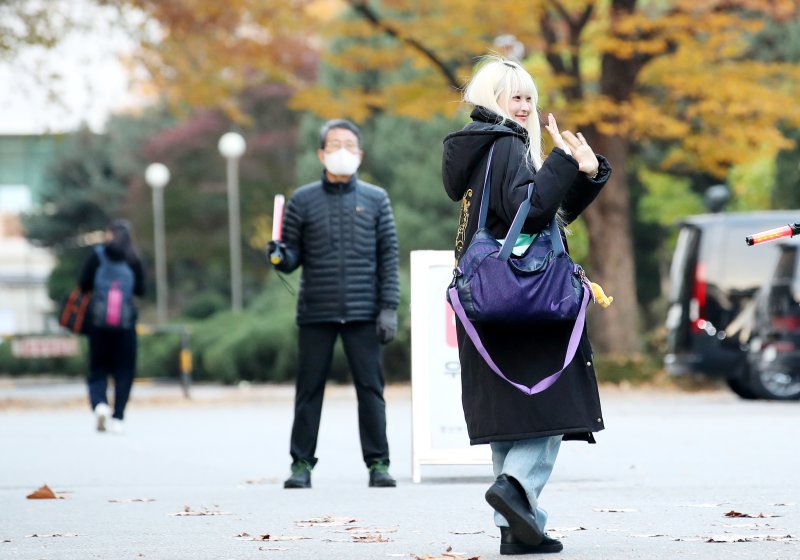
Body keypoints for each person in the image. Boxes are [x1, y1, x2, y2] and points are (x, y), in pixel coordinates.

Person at [441, 57, 612, 555]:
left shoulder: (479, 149)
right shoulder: (507, 145)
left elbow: (541, 217)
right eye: (511, 95)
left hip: (487, 299)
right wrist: (560, 160)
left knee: (509, 416)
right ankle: (516, 489)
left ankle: (517, 529)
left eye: (528, 97)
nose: (523, 105)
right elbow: (530, 212)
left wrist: (586, 173)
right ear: (489, 98)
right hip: (529, 301)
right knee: (551, 407)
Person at [267, 118, 400, 489]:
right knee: (309, 390)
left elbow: (389, 257)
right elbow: (290, 257)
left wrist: (388, 308)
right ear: (321, 153)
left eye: (350, 145)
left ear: (360, 153)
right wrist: (278, 256)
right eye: (335, 145)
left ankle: (378, 463)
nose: (342, 151)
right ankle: (301, 464)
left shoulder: (376, 199)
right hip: (316, 311)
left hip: (363, 312)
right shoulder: (302, 200)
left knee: (371, 390)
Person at [78, 219, 146, 434]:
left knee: (98, 369)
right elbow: (142, 290)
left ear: (110, 234)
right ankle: (118, 417)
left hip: (98, 324)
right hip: (125, 326)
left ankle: (100, 405)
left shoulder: (97, 256)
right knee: (124, 371)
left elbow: (83, 284)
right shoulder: (133, 258)